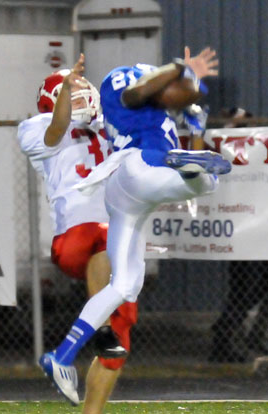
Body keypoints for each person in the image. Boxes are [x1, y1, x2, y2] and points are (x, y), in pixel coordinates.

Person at [39, 46, 232, 402]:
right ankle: (184, 162)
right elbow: (138, 90)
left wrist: (195, 123)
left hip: (126, 195)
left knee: (125, 285)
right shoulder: (126, 84)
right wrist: (178, 67)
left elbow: (172, 96)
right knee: (209, 179)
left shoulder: (156, 114)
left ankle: (61, 355)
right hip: (139, 167)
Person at [17, 53, 137, 413]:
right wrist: (66, 94)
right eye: (70, 91)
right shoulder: (36, 126)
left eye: (83, 88)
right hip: (75, 233)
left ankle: (91, 408)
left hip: (113, 230)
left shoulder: (107, 125)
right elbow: (56, 131)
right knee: (105, 235)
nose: (81, 94)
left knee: (123, 330)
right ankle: (95, 330)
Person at [208, 108, 268, 363]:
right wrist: (231, 125)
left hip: (259, 230)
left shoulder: (257, 152)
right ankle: (223, 337)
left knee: (258, 287)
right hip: (241, 231)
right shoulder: (223, 152)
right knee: (245, 289)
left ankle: (255, 334)